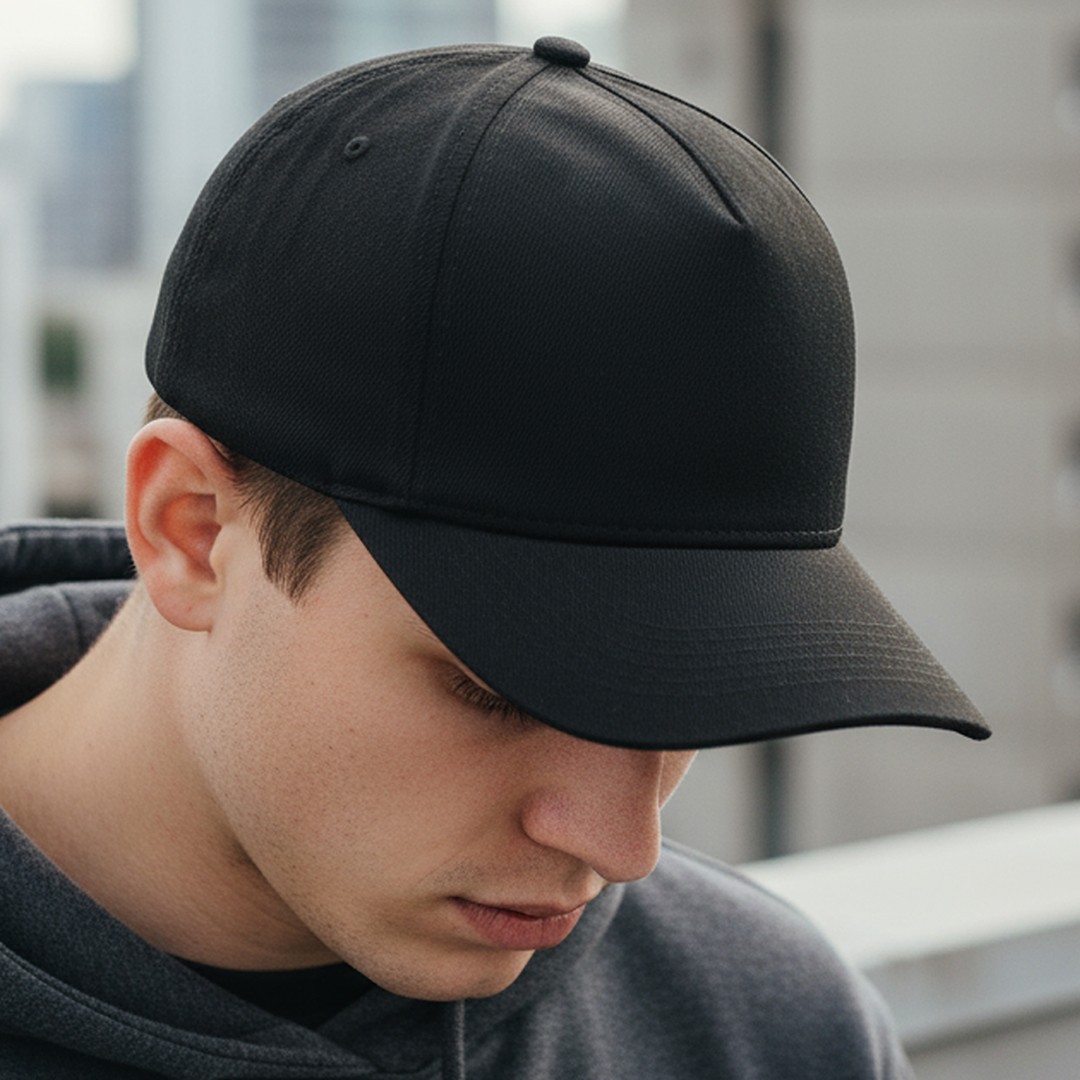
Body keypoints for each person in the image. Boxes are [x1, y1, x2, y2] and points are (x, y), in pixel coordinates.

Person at [0, 36, 988, 1079]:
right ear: (192, 530)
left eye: (686, 700)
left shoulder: (771, 1028)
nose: (621, 849)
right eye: (497, 691)